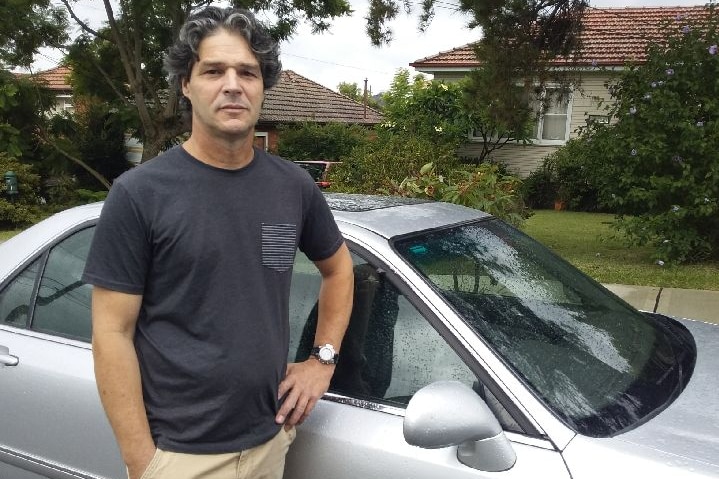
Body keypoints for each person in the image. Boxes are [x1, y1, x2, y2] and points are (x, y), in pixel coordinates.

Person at [82, 6, 354, 479]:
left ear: (263, 86)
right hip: (179, 456)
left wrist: (322, 360)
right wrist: (142, 460)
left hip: (269, 441)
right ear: (186, 85)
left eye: (247, 72)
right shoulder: (140, 194)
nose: (233, 84)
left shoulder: (293, 187)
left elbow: (339, 269)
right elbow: (111, 334)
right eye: (213, 70)